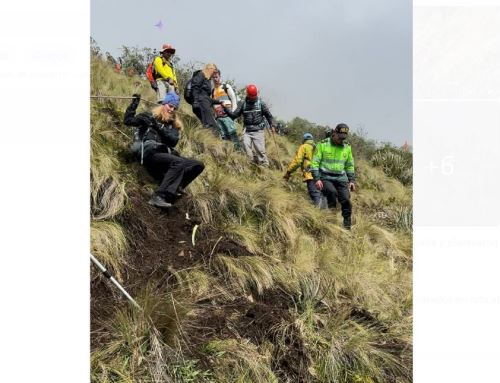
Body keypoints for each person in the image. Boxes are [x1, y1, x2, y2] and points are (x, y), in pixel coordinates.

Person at [124, 92, 205, 208]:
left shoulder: (173, 125)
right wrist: (134, 104)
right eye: (170, 106)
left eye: (174, 108)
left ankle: (176, 187)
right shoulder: (149, 116)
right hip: (149, 154)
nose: (172, 109)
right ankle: (159, 196)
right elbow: (128, 121)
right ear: (164, 104)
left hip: (163, 154)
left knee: (198, 165)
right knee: (179, 162)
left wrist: (157, 127)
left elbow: (173, 141)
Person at [310, 123, 356, 229]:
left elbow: (349, 165)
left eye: (343, 138)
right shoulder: (322, 144)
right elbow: (315, 163)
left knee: (346, 200)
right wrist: (316, 179)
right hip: (325, 177)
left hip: (341, 178)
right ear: (334, 133)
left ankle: (347, 226)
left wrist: (351, 180)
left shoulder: (347, 147)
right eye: (339, 137)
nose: (341, 140)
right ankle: (330, 220)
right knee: (332, 193)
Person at [223, 84, 276, 166]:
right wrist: (226, 109)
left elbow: (269, 116)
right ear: (247, 94)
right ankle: (251, 165)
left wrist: (272, 125)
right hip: (247, 131)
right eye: (251, 96)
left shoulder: (261, 104)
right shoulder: (242, 104)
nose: (253, 98)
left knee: (260, 150)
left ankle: (264, 166)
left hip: (258, 131)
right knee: (246, 149)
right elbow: (234, 115)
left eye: (254, 96)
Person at [283, 133, 321, 205]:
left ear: (304, 140)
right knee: (320, 194)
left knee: (315, 195)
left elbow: (297, 161)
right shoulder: (318, 147)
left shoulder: (303, 147)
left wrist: (288, 171)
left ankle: (320, 213)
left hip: (310, 174)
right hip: (321, 174)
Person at [212, 69, 240, 149]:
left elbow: (234, 100)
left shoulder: (226, 87)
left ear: (220, 77)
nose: (215, 79)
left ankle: (239, 153)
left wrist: (233, 114)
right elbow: (213, 105)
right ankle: (229, 152)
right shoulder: (213, 90)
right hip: (219, 118)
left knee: (232, 135)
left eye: (216, 77)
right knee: (224, 137)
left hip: (228, 116)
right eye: (213, 77)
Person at [191, 63, 222, 132]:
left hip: (204, 104)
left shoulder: (207, 79)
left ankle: (210, 139)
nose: (214, 73)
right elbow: (195, 87)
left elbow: (206, 97)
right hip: (201, 104)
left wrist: (218, 101)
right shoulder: (201, 75)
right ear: (210, 69)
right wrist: (195, 101)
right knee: (211, 126)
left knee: (210, 125)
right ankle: (210, 140)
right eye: (214, 71)